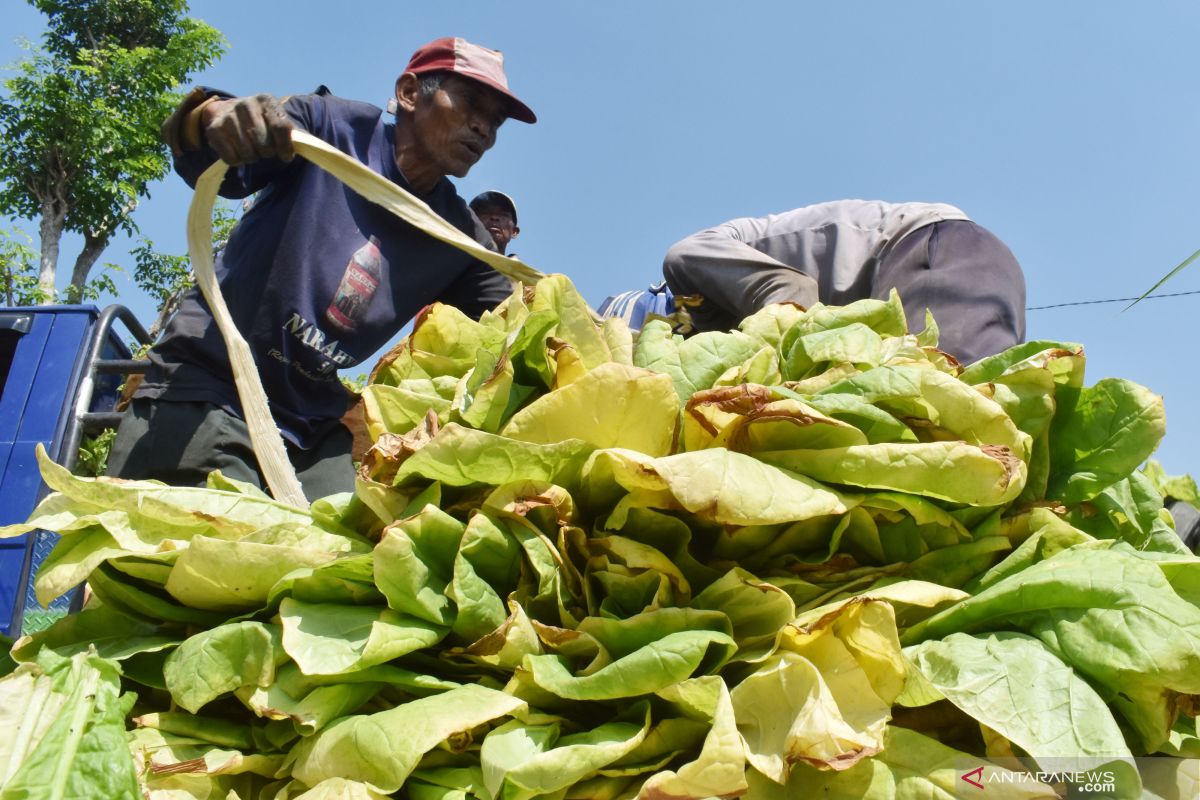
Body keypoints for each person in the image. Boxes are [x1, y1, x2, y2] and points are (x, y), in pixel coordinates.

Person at [105, 37, 537, 500]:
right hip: (210, 384)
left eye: (495, 121)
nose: (484, 129)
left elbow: (530, 314)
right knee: (237, 540)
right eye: (471, 103)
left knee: (343, 552)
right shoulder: (332, 128)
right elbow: (222, 145)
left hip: (308, 426)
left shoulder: (457, 235)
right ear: (410, 93)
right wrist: (214, 117)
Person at [660, 199, 1026, 364]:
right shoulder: (715, 318)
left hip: (934, 249)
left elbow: (791, 295)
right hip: (945, 265)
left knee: (946, 392)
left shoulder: (689, 264)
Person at [469, 190, 520, 255]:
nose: (494, 217)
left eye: (503, 215)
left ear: (514, 232)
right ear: (469, 224)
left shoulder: (515, 265)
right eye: (485, 213)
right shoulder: (453, 261)